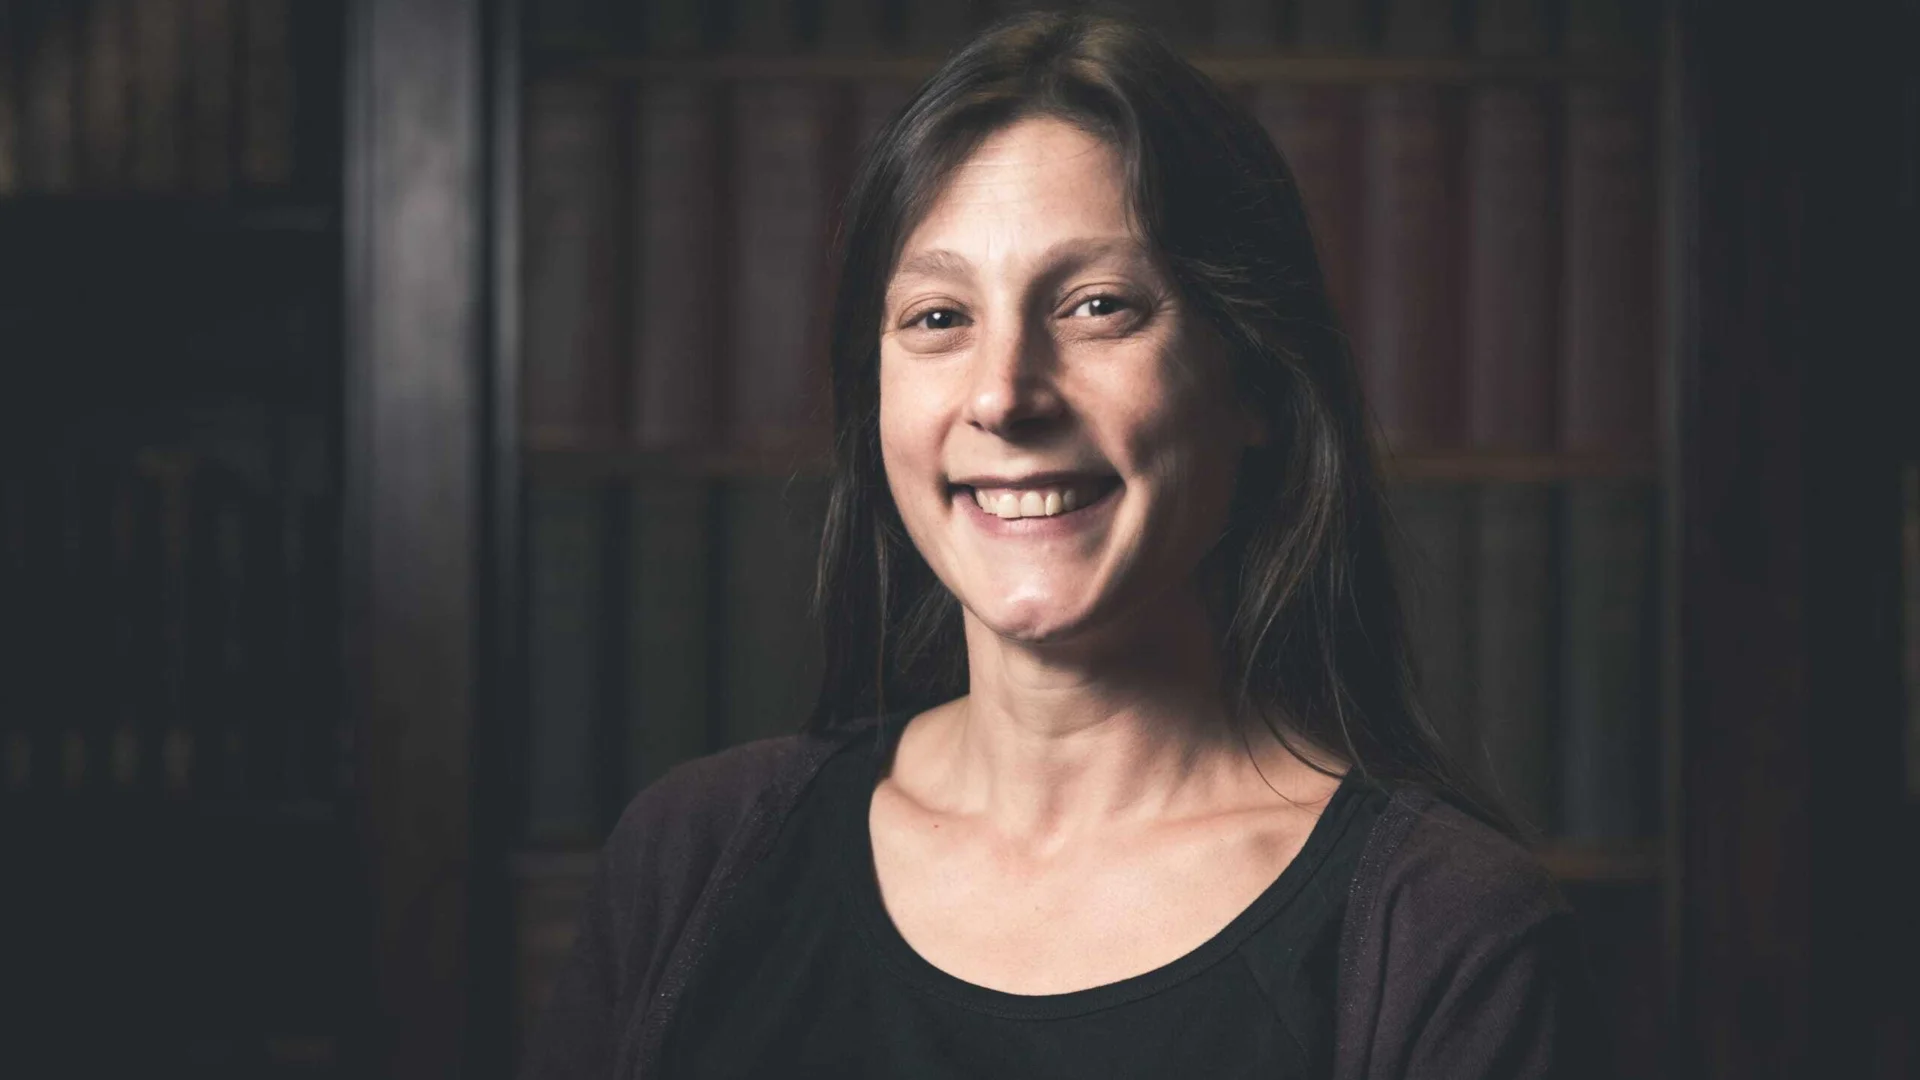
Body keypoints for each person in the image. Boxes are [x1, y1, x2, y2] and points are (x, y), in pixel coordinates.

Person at [522, 11, 1597, 1079]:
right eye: (939, 318)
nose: (1004, 395)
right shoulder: (694, 857)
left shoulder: (1447, 935)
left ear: (1254, 382)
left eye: (1095, 306)